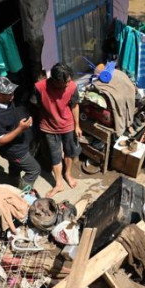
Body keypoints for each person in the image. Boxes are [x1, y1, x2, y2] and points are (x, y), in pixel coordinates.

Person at [33, 63, 82, 197]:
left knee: (69, 152)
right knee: (55, 156)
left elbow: (75, 106)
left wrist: (77, 125)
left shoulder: (72, 86)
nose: (67, 84)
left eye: (69, 81)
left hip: (68, 125)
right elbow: (37, 105)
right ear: (54, 80)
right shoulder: (40, 87)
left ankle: (68, 174)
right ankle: (59, 184)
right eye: (64, 83)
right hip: (48, 127)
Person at [0, 76, 39, 189]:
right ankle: (23, 193)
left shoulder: (7, 101)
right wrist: (20, 129)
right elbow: (0, 141)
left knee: (15, 167)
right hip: (15, 151)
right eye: (8, 93)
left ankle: (13, 182)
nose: (12, 95)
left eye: (12, 91)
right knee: (34, 170)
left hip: (21, 144)